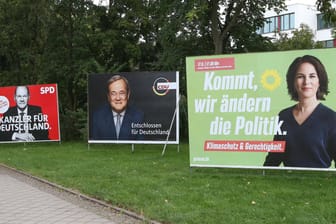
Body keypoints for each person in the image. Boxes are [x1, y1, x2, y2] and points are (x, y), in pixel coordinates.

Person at [264, 55, 336, 168]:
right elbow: (273, 158)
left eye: (312, 76)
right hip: (287, 184)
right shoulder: (283, 116)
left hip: (319, 184)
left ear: (319, 81)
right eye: (300, 76)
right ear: (293, 81)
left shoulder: (331, 118)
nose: (306, 81)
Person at [91, 75, 144, 140]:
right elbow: (95, 145)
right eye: (113, 93)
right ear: (108, 96)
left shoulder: (139, 116)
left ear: (128, 95)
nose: (118, 98)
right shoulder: (98, 116)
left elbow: (141, 145)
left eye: (121, 93)